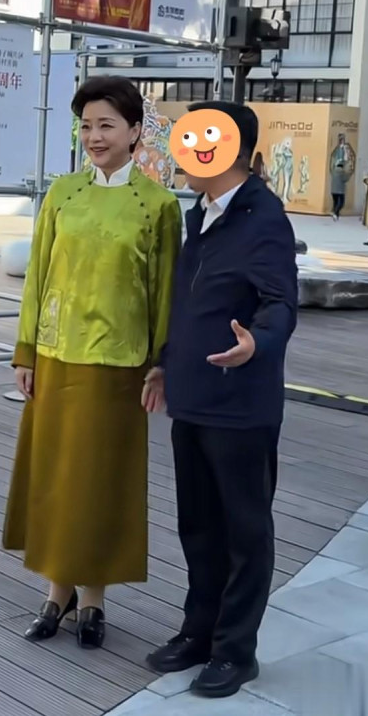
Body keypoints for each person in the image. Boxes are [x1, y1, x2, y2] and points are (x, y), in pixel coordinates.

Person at [3, 76, 182, 650]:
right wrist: (26, 352)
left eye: (107, 125)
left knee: (102, 483)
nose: (95, 136)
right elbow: (38, 275)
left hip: (119, 368)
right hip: (55, 360)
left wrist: (161, 362)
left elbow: (165, 292)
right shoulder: (62, 193)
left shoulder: (159, 205)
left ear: (135, 131)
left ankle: (94, 600)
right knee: (56, 478)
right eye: (86, 126)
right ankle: (56, 593)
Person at [144, 101, 298, 699]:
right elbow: (187, 301)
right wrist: (165, 363)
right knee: (199, 526)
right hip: (193, 396)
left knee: (244, 530)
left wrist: (257, 342)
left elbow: (280, 302)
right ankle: (199, 632)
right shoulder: (200, 213)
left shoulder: (264, 217)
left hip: (240, 404)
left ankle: (236, 651)